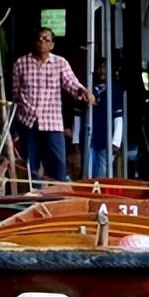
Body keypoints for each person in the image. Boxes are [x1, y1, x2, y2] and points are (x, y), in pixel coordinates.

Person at [12, 27, 96, 188]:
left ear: (52, 45)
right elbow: (15, 93)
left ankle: (56, 198)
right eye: (39, 39)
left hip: (51, 122)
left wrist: (83, 91)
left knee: (57, 164)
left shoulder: (59, 63)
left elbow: (71, 83)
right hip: (28, 122)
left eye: (46, 39)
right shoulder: (21, 63)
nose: (42, 42)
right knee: (30, 165)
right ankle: (33, 198)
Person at [86, 60, 125, 177]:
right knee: (89, 172)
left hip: (106, 139)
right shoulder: (89, 89)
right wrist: (77, 139)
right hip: (91, 138)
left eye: (105, 68)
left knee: (102, 174)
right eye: (99, 67)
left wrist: (116, 142)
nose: (102, 71)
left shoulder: (115, 91)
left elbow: (118, 118)